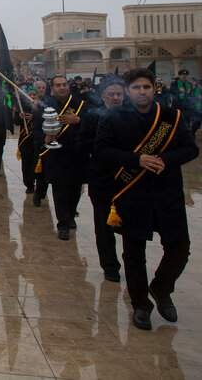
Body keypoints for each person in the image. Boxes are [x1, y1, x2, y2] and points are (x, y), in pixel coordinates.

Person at [96, 68, 198, 330]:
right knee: (133, 253)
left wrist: (166, 160)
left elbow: (190, 148)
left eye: (147, 87)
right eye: (136, 88)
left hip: (167, 191)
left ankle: (161, 288)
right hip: (132, 192)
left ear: (155, 89)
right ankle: (140, 304)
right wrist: (137, 159)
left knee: (179, 248)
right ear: (128, 91)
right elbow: (103, 151)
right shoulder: (113, 118)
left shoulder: (171, 117)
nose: (142, 92)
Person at [78, 75, 126, 282]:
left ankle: (132, 261)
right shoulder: (92, 117)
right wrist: (102, 145)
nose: (115, 98)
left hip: (127, 178)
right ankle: (110, 266)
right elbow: (81, 143)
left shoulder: (132, 117)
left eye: (119, 94)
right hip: (102, 177)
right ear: (103, 96)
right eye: (111, 94)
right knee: (103, 225)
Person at [33, 74, 89, 240]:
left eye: (64, 84)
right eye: (58, 85)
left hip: (78, 154)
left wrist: (78, 120)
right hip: (56, 155)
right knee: (60, 191)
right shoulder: (46, 106)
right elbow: (36, 129)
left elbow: (93, 124)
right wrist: (45, 138)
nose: (62, 87)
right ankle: (63, 224)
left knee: (74, 190)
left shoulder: (81, 105)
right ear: (53, 89)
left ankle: (70, 216)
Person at [14, 87, 40, 195]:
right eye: (30, 94)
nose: (32, 96)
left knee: (37, 164)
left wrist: (35, 116)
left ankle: (38, 185)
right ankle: (29, 185)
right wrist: (20, 117)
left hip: (38, 140)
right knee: (26, 165)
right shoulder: (22, 106)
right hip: (25, 140)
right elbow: (15, 122)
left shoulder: (41, 107)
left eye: (34, 94)